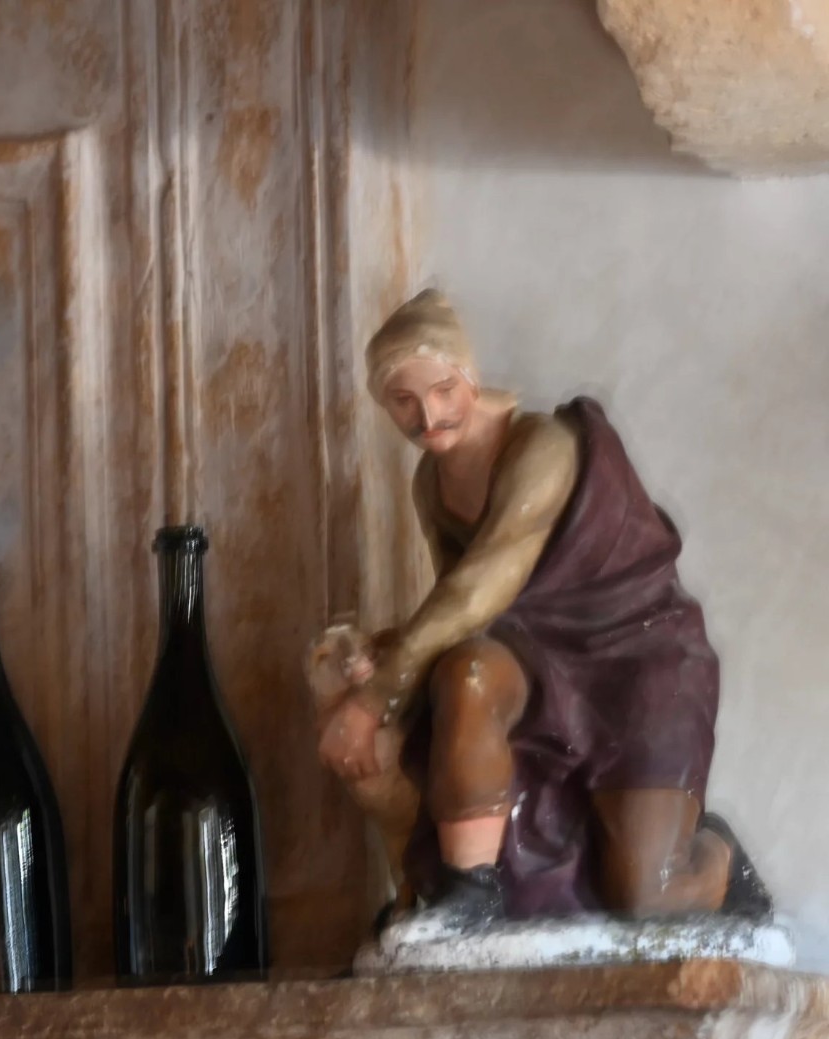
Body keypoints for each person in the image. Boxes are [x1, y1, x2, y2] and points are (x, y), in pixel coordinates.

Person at [313, 289, 764, 931]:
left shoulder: (542, 448)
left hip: (635, 656)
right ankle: (469, 892)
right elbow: (460, 616)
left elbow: (480, 588)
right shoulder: (431, 483)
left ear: (470, 378)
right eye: (403, 400)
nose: (427, 416)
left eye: (442, 390)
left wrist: (374, 698)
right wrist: (387, 660)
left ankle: (722, 859)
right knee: (467, 672)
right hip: (534, 655)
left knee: (646, 892)